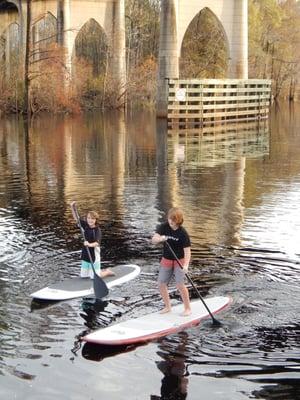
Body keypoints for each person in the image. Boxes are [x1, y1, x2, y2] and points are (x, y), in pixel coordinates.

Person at [151, 207, 191, 316]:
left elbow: (187, 251)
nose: (171, 222)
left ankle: (187, 308)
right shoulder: (163, 227)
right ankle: (168, 307)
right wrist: (160, 239)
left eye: (173, 220)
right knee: (161, 284)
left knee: (180, 284)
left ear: (179, 220)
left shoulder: (183, 233)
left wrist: (186, 265)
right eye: (169, 219)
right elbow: (153, 240)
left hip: (180, 261)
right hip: (167, 259)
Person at [70, 201, 114, 279]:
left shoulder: (97, 230)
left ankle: (106, 271)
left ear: (96, 220)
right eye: (88, 218)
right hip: (86, 253)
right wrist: (72, 208)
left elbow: (97, 243)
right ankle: (95, 271)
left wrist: (89, 244)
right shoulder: (86, 226)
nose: (90, 220)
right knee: (84, 276)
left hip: (94, 254)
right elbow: (76, 218)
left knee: (94, 277)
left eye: (92, 219)